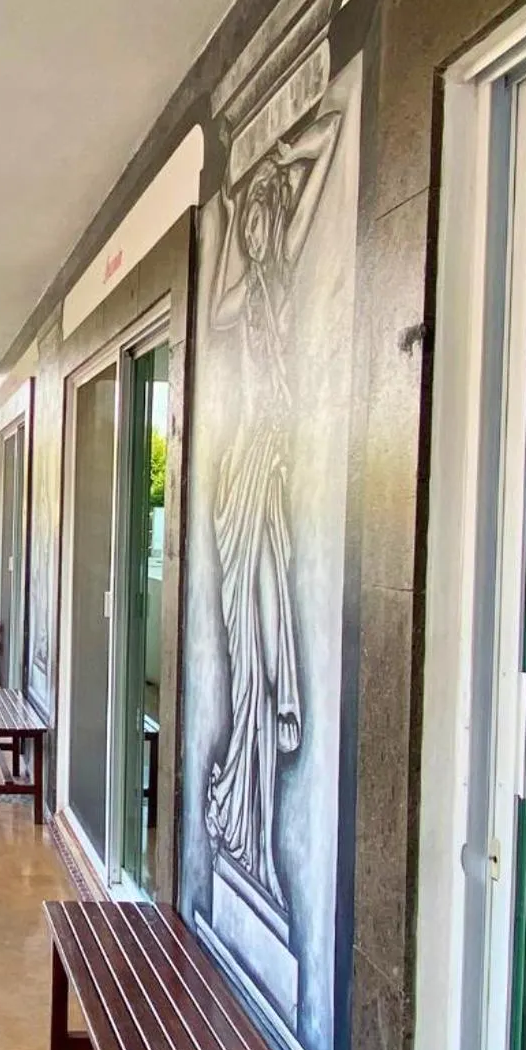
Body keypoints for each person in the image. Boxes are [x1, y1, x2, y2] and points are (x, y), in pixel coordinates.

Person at [204, 105, 342, 911]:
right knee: (241, 622)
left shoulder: (281, 296)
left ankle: (247, 805)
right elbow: (222, 258)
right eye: (251, 225)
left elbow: (324, 159)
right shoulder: (236, 303)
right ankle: (239, 798)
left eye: (266, 220)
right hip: (241, 476)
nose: (257, 234)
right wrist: (241, 188)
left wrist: (283, 152)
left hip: (270, 470)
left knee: (263, 625)